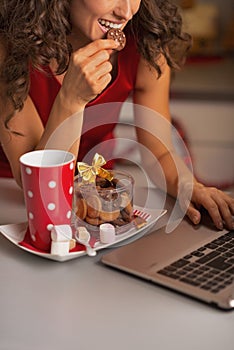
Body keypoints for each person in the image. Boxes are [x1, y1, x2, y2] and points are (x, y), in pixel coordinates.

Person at [0, 0, 233, 231]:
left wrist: (188, 185)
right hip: (14, 198)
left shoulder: (147, 42)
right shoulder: (8, 49)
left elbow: (159, 152)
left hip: (97, 195)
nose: (126, 12)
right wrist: (71, 100)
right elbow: (41, 186)